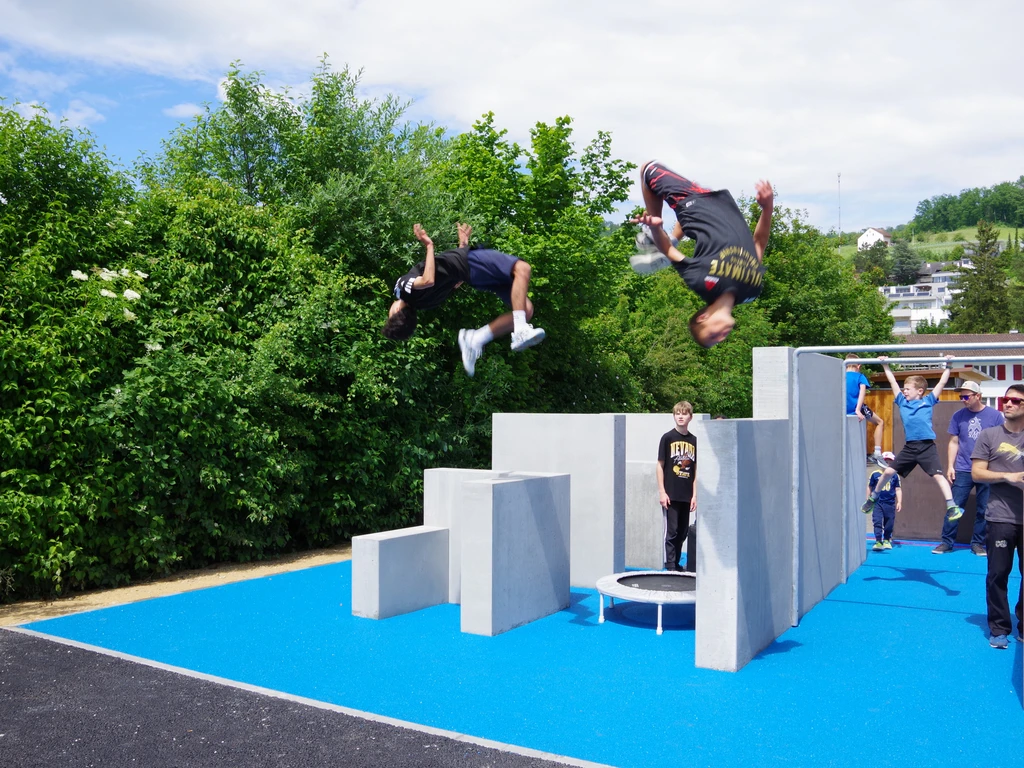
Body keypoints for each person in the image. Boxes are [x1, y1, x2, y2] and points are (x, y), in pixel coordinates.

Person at [629, 161, 774, 347]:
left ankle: (656, 236)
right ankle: (672, 236)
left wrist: (656, 227)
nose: (721, 337)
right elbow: (759, 244)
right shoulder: (751, 291)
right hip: (719, 203)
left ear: (703, 317)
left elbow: (669, 251)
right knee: (699, 186)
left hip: (694, 204)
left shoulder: (701, 282)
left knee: (647, 169)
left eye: (713, 336)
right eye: (718, 341)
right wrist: (768, 207)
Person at [382, 223, 545, 376]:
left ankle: (476, 338)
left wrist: (463, 246)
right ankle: (519, 332)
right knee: (522, 268)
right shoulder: (402, 289)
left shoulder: (428, 303)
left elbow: (455, 281)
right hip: (470, 264)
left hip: (470, 273)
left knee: (526, 310)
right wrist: (429, 245)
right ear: (396, 311)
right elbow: (428, 280)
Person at [861, 356, 964, 523]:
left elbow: (941, 384)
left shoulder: (928, 401)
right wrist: (885, 365)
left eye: (908, 389)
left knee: (938, 477)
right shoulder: (902, 402)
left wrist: (949, 366)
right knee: (888, 472)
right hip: (910, 447)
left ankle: (951, 506)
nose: (904, 391)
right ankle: (873, 498)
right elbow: (893, 383)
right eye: (904, 389)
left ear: (920, 391)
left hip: (927, 447)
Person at [969, 384, 1024, 649]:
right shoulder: (989, 435)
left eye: (1015, 400)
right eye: (1006, 399)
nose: (1008, 403)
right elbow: (977, 473)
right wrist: (1006, 475)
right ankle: (999, 628)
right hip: (1000, 517)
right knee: (998, 574)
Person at [933, 381, 1004, 555]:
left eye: (966, 396)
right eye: (961, 396)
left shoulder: (995, 416)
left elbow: (999, 442)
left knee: (984, 508)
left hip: (986, 470)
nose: (963, 399)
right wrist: (950, 466)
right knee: (954, 506)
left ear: (978, 396)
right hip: (963, 468)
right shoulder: (958, 416)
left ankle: (977, 543)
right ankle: (946, 542)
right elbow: (954, 441)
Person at [657, 401, 698, 572]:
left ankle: (677, 564)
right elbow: (660, 465)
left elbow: (695, 470)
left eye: (684, 413)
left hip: (686, 495)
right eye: (677, 413)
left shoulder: (694, 440)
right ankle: (670, 565)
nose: (680, 416)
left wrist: (694, 495)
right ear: (674, 416)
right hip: (671, 494)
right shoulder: (667, 438)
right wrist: (662, 492)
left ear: (690, 416)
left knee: (682, 532)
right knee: (672, 531)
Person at [845, 354, 886, 467]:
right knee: (880, 422)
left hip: (842, 409)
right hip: (856, 408)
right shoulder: (860, 376)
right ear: (859, 366)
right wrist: (858, 410)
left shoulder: (840, 376)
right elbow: (862, 393)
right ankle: (877, 453)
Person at [868, 452, 901, 551]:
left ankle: (886, 539)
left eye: (890, 462)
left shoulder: (895, 476)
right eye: (885, 461)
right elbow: (869, 487)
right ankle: (878, 541)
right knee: (877, 521)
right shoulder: (875, 474)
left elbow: (898, 489)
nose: (887, 464)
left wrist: (899, 501)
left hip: (889, 503)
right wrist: (868, 500)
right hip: (877, 503)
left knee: (889, 523)